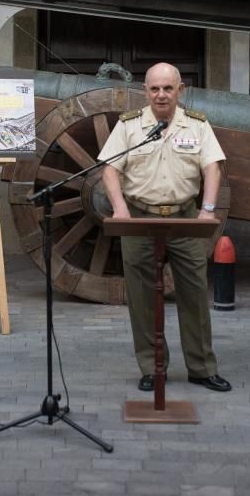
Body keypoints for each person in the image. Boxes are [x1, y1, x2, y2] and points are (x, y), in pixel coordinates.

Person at [99, 62, 231, 393]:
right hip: (140, 220)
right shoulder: (129, 126)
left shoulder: (197, 125)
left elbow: (212, 168)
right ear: (145, 91)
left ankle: (201, 367)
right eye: (154, 88)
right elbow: (110, 169)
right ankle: (151, 366)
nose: (161, 94)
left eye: (168, 88)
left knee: (195, 293)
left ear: (180, 90)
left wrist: (207, 211)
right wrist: (120, 209)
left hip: (184, 219)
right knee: (141, 297)